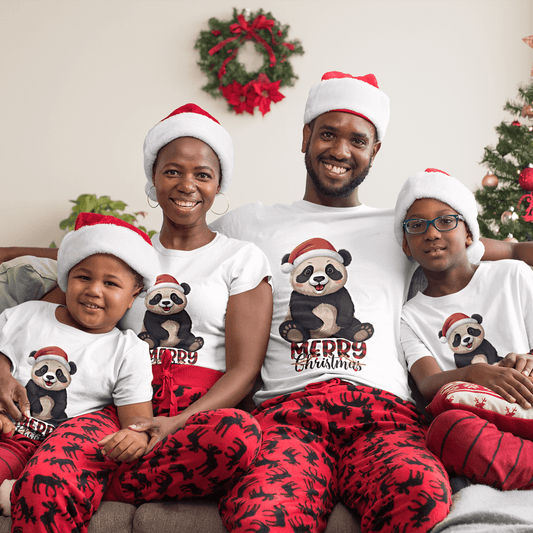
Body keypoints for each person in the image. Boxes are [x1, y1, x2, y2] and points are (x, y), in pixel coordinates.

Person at [210, 71, 533, 533]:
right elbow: (160, 258)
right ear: (305, 136)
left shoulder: (407, 229)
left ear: (374, 151)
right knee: (261, 513)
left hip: (385, 418)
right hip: (288, 416)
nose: (340, 151)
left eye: (357, 140)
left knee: (421, 495)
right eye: (327, 134)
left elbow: (514, 251)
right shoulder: (249, 224)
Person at [5, 103, 273, 533]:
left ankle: (87, 481)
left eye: (202, 174)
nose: (187, 184)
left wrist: (173, 424)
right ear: (153, 178)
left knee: (237, 436)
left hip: (195, 416)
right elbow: (57, 308)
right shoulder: (124, 253)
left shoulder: (240, 257)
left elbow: (244, 370)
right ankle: (59, 479)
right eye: (172, 171)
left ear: (219, 182)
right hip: (113, 409)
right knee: (49, 478)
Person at [0, 212, 158, 515]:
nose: (94, 290)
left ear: (133, 296)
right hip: (8, 437)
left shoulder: (127, 350)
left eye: (111, 283)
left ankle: (18, 490)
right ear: (66, 278)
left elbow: (137, 422)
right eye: (83, 277)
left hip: (61, 454)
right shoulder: (26, 316)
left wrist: (135, 436)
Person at [396, 167, 533, 490]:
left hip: (528, 397)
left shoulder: (511, 275)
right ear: (405, 245)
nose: (431, 234)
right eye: (417, 226)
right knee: (446, 430)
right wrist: (473, 375)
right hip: (483, 422)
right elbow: (428, 382)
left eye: (445, 221)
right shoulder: (409, 316)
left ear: (469, 233)